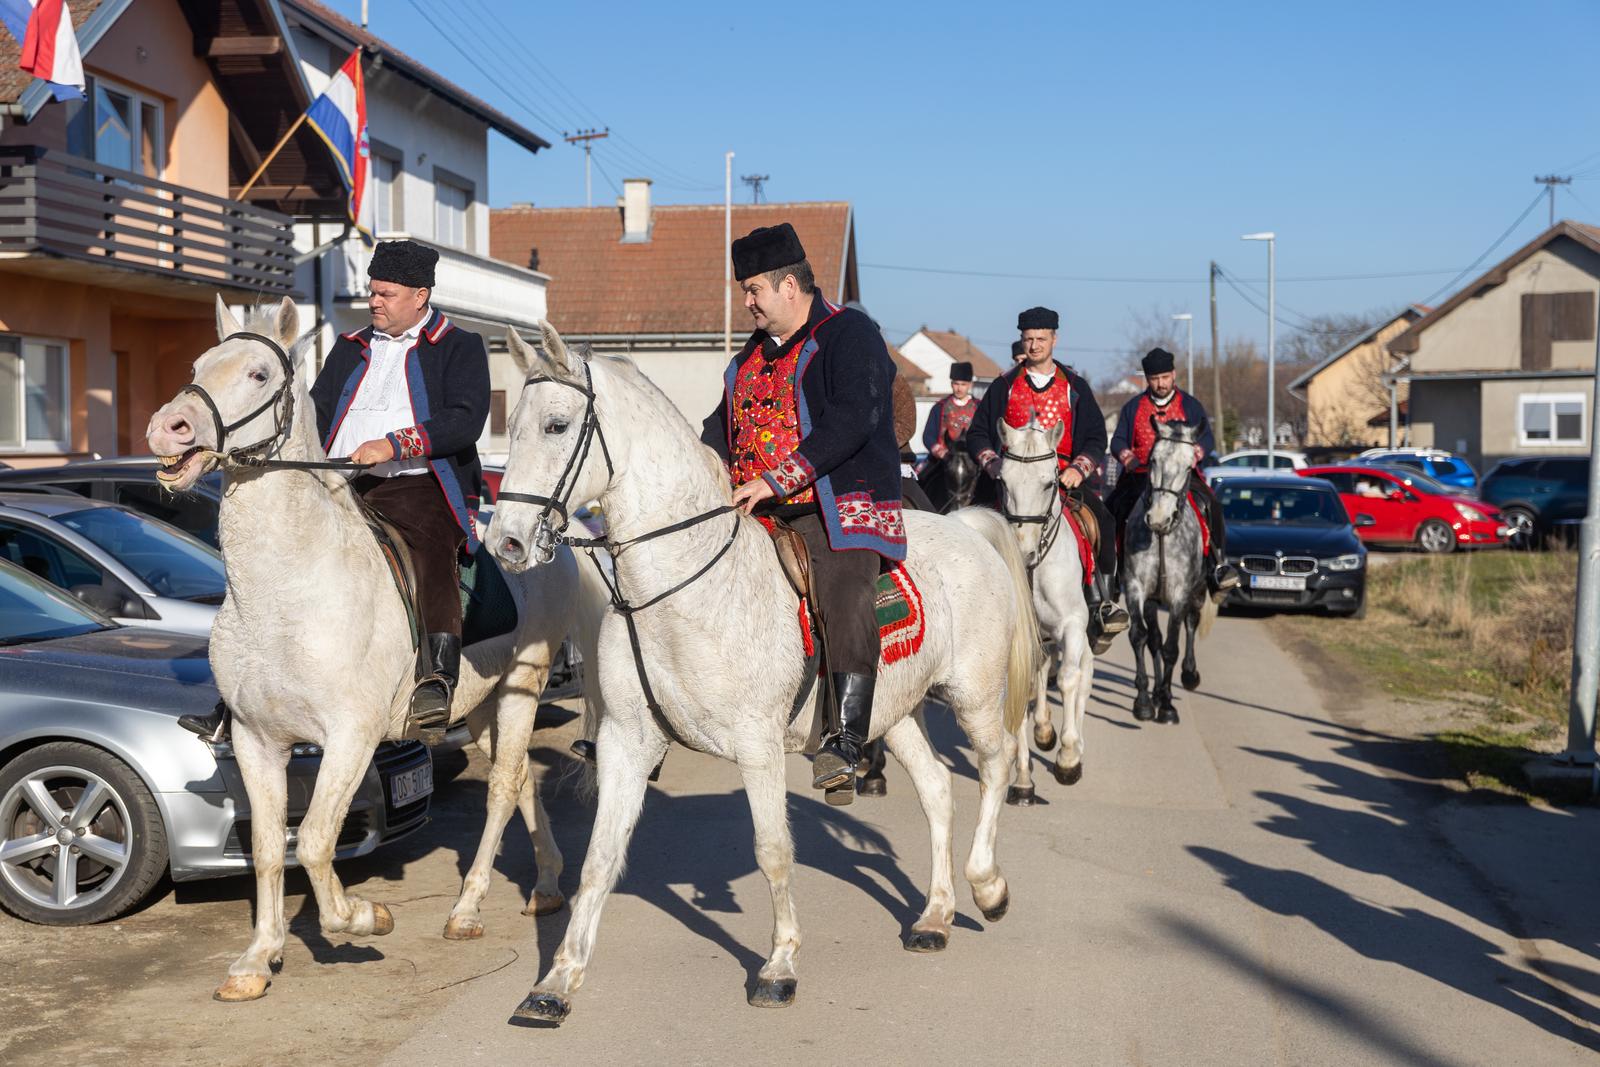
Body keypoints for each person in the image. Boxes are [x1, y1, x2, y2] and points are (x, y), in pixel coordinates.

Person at [180, 241, 489, 744]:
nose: (374, 301)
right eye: (372, 291)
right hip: (338, 482)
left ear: (420, 295)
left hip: (415, 485)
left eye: (386, 293)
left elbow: (465, 420)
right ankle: (239, 699)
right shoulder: (350, 346)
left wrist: (392, 445)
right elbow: (318, 410)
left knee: (432, 550)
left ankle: (437, 678)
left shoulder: (460, 346)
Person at [701, 223, 903, 803]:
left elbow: (854, 417)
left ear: (790, 285)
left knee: (844, 589)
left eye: (754, 289)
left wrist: (778, 477)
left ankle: (844, 737)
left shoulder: (850, 333)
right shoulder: (752, 354)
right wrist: (701, 465)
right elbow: (722, 424)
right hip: (754, 500)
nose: (747, 302)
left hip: (835, 502)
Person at [967, 305, 1129, 651]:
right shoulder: (1004, 385)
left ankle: (1104, 603)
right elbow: (978, 434)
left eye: (1041, 338)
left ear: (1054, 339)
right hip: (1011, 481)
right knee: (971, 525)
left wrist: (1078, 468)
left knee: (1103, 520)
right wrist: (992, 463)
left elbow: (1096, 438)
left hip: (1062, 478)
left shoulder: (1075, 387)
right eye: (1028, 339)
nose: (1034, 345)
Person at [1105, 347, 1240, 595]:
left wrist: (1197, 453)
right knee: (1112, 508)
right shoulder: (1133, 407)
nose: (1160, 383)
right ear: (1147, 379)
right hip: (1141, 475)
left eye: (1165, 377)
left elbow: (1207, 437)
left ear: (1174, 375)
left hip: (1181, 478)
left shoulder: (1190, 405)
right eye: (1155, 379)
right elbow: (1118, 440)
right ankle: (1111, 574)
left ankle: (1218, 566)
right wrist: (1127, 456)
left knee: (1212, 504)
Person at [920, 361, 978, 462]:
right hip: (943, 459)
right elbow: (928, 435)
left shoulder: (979, 407)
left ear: (970, 385)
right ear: (951, 384)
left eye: (963, 384)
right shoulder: (939, 407)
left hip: (973, 459)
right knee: (919, 475)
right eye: (956, 384)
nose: (959, 388)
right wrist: (939, 451)